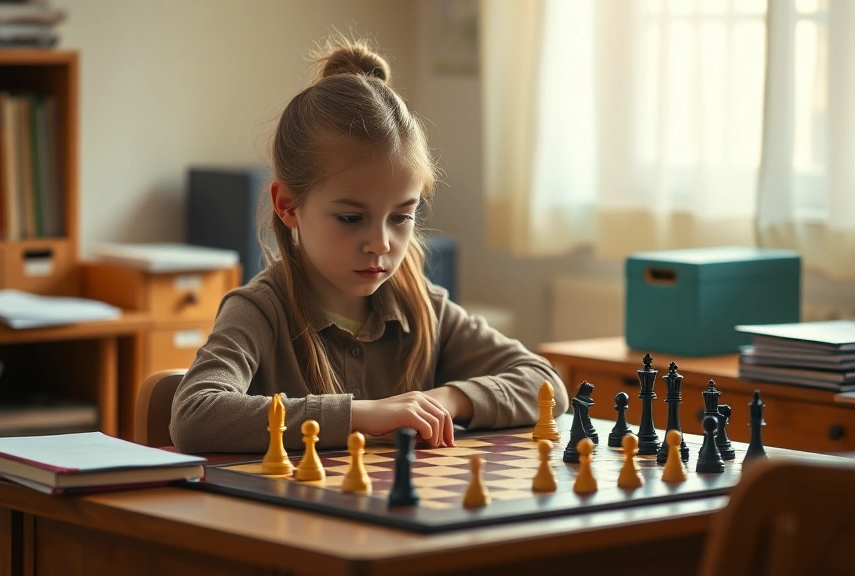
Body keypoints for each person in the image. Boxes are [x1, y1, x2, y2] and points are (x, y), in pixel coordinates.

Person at [169, 37, 567, 453]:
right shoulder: (260, 311)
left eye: (401, 217)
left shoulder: (424, 307)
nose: (380, 244)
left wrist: (444, 399)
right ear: (287, 206)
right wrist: (364, 413)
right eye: (350, 218)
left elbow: (546, 384)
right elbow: (195, 414)